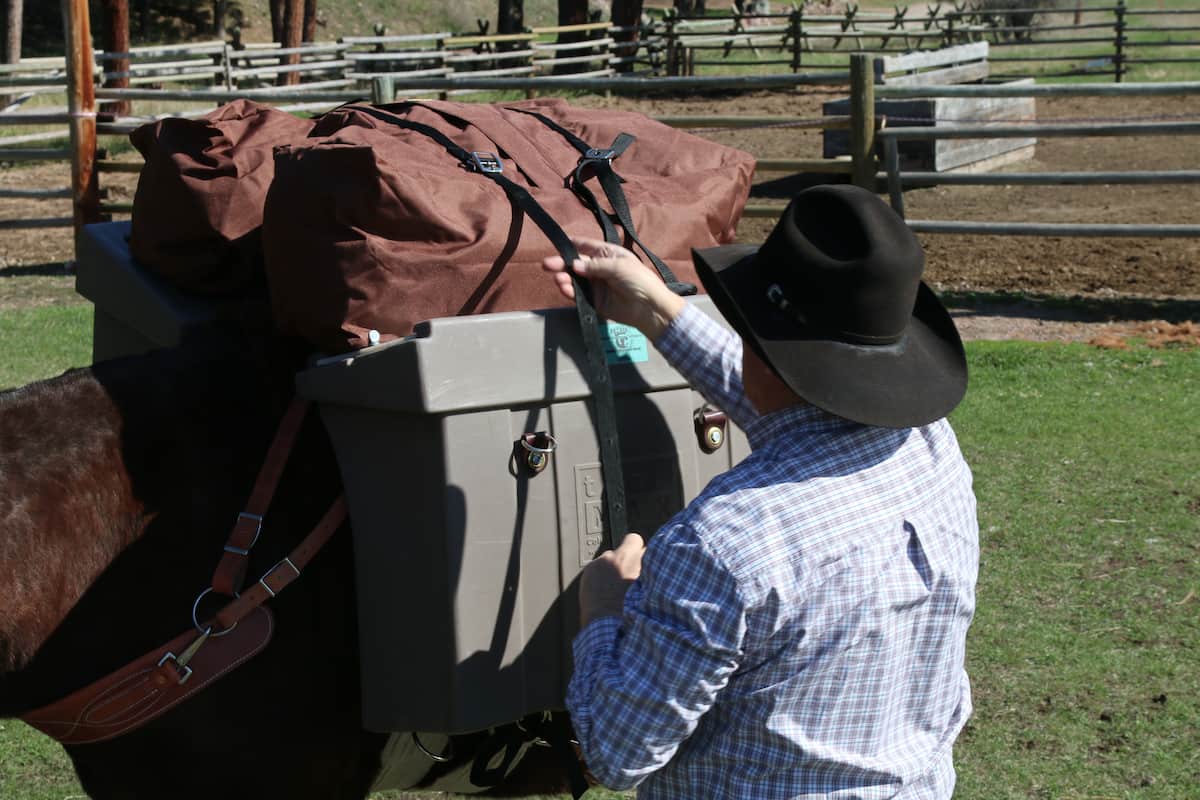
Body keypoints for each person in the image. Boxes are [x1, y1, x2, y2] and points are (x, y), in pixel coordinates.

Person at [540, 184, 980, 799]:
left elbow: (617, 754)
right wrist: (660, 312)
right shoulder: (930, 446)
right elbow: (794, 408)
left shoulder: (724, 543)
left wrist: (603, 611)